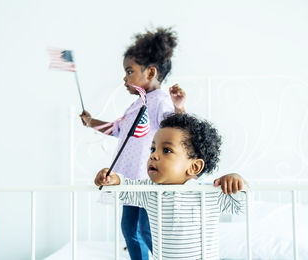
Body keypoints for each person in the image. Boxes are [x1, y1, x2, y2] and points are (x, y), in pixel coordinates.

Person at [80, 27, 185, 260]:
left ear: (150, 73)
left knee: (145, 230)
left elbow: (175, 129)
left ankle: (171, 257)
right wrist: (91, 122)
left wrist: (178, 106)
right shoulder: (137, 104)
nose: (125, 78)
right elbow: (118, 129)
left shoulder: (160, 100)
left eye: (129, 71)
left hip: (146, 180)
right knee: (130, 230)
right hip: (129, 179)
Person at [95, 113, 246, 260]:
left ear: (194, 167)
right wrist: (113, 179)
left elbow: (243, 204)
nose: (153, 155)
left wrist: (237, 181)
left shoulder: (208, 192)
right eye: (153, 149)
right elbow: (125, 189)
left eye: (166, 150)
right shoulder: (150, 191)